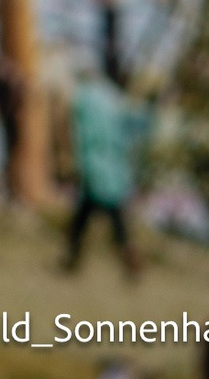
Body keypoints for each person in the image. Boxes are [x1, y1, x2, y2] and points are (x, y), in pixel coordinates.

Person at [62, 55, 149, 278]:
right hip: (115, 170)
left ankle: (73, 260)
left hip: (95, 165)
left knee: (84, 220)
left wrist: (75, 162)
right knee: (109, 220)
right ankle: (124, 256)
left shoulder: (84, 97)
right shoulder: (115, 98)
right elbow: (133, 128)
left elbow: (79, 134)